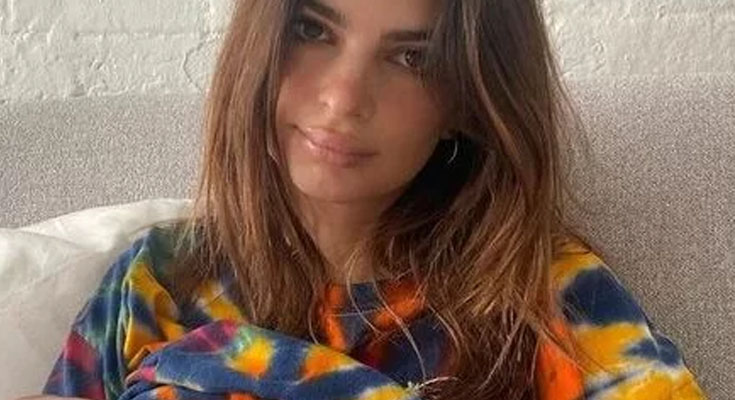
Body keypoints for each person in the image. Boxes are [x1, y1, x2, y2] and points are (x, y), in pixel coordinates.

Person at [22, 0, 706, 399]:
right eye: (313, 30)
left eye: (411, 58)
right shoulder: (159, 279)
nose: (343, 99)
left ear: (468, 101)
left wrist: (217, 361)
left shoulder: (544, 292)